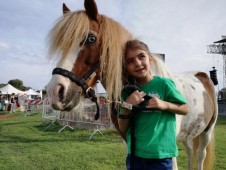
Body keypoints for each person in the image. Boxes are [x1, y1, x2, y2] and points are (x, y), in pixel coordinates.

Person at [118, 39, 189, 170]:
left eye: (141, 57)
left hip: (161, 156)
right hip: (135, 156)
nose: (137, 63)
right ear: (126, 68)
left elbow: (185, 109)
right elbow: (122, 128)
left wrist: (164, 105)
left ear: (150, 59)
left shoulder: (164, 84)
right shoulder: (127, 92)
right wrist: (128, 105)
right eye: (130, 61)